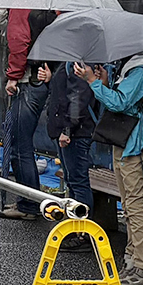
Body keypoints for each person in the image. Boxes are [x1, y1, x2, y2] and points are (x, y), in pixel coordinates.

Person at [76, 54, 143, 285]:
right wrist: (105, 82)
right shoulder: (129, 70)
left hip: (135, 144)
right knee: (129, 205)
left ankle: (141, 267)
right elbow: (122, 100)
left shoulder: (140, 71)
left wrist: (94, 82)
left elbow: (120, 103)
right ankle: (131, 261)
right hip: (123, 142)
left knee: (136, 205)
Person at [0, 10, 58, 219]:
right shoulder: (49, 5)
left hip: (28, 82)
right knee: (22, 145)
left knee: (19, 146)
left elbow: (18, 40)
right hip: (41, 78)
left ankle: (29, 204)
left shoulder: (21, 4)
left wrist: (13, 76)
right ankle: (27, 202)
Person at [43, 60, 96, 248]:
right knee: (73, 180)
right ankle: (76, 229)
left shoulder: (78, 63)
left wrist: (67, 129)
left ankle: (84, 234)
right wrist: (51, 81)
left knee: (78, 181)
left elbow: (78, 98)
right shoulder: (71, 62)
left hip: (76, 132)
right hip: (72, 130)